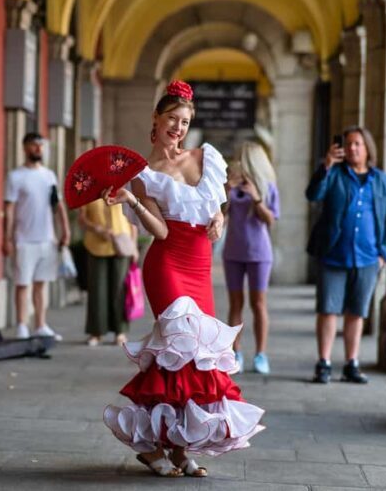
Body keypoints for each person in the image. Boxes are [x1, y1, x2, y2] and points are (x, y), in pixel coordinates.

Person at [101, 80, 265, 478]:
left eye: (185, 121)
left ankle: (175, 448)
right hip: (167, 264)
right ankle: (163, 444)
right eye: (172, 119)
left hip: (200, 267)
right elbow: (158, 232)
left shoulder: (206, 156)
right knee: (180, 345)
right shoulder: (144, 173)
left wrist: (220, 218)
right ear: (155, 120)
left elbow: (218, 204)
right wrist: (134, 201)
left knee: (194, 361)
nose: (178, 127)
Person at [305, 126, 386, 384]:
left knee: (357, 312)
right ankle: (323, 362)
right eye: (349, 144)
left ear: (368, 148)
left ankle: (351, 363)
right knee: (328, 309)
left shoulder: (383, 181)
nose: (353, 148)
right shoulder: (334, 174)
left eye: (357, 144)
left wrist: (384, 254)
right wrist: (325, 166)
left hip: (367, 258)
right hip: (333, 253)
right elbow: (313, 195)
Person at [3, 133, 70, 341]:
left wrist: (65, 230)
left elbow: (58, 205)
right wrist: (7, 238)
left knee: (41, 284)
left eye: (40, 145)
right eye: (34, 146)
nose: (38, 149)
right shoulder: (16, 176)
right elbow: (10, 209)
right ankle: (22, 325)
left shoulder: (50, 175)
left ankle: (40, 325)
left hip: (47, 239)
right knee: (23, 284)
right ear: (25, 148)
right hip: (24, 239)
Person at [222, 142, 280, 375]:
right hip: (233, 252)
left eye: (244, 160)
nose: (240, 164)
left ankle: (260, 354)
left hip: (259, 253)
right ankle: (235, 353)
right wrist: (227, 191)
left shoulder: (267, 187)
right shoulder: (232, 187)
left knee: (258, 304)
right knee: (236, 304)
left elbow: (271, 220)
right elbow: (220, 215)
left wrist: (256, 198)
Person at [78, 198, 138, 346]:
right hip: (96, 245)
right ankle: (96, 332)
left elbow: (132, 220)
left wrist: (134, 246)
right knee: (97, 290)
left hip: (122, 245)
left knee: (119, 290)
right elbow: (82, 219)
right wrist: (97, 229)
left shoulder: (121, 190)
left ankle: (120, 332)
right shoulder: (88, 194)